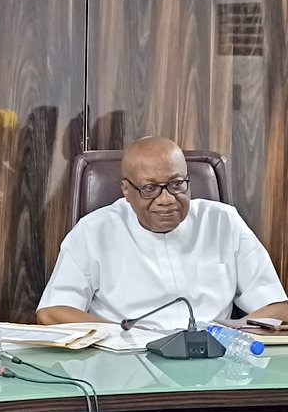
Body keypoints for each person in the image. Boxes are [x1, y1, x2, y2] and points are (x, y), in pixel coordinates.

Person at [38, 136, 288, 329]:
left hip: (215, 359)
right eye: (150, 189)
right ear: (126, 190)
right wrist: (122, 336)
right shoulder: (93, 231)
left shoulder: (224, 222)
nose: (166, 199)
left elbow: (277, 307)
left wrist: (231, 332)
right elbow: (53, 311)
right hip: (127, 364)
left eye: (177, 185)